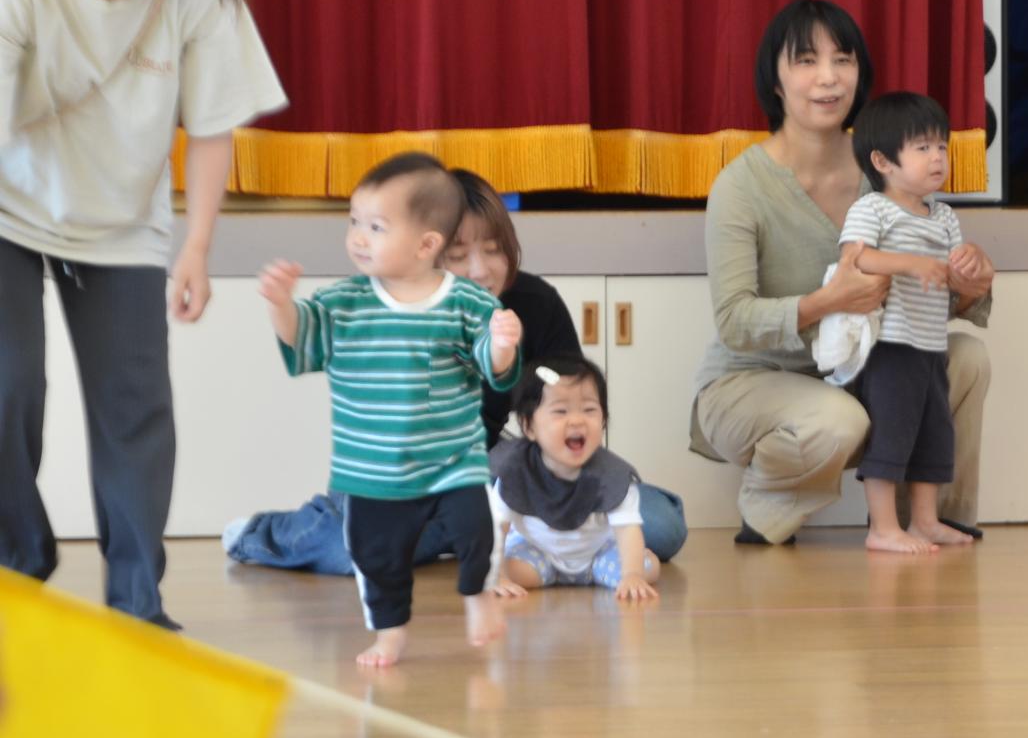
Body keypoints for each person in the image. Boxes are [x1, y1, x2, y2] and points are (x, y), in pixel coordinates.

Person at [0, 0, 288, 627]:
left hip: (121, 217)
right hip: (10, 205)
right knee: (6, 381)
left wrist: (196, 245)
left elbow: (213, 120)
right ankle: (16, 559)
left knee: (136, 409)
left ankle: (137, 605)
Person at [225, 168, 688, 571]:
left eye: (493, 250)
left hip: (500, 469)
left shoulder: (534, 305)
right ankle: (266, 533)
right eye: (458, 255)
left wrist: (539, 383)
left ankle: (479, 537)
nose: (481, 270)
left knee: (661, 527)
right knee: (355, 552)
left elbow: (565, 397)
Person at [691, 0, 995, 545]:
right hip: (754, 380)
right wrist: (830, 300)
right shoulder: (740, 186)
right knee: (838, 419)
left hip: (864, 367)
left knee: (966, 357)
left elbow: (925, 290)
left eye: (844, 60)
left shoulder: (883, 164)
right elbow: (735, 320)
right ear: (776, 82)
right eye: (806, 61)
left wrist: (970, 288)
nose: (828, 78)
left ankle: (930, 517)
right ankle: (768, 506)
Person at [260, 153, 521, 666]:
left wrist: (504, 344)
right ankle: (390, 634)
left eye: (376, 227)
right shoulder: (343, 302)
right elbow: (304, 340)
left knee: (476, 528)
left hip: (452, 460)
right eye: (354, 222)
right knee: (374, 556)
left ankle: (477, 596)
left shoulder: (468, 303)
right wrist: (281, 307)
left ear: (427, 244)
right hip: (372, 469)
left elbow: (494, 370)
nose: (358, 237)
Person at [839, 93, 982, 554]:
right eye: (922, 148)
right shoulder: (873, 208)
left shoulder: (943, 216)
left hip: (929, 346)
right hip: (891, 347)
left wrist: (968, 272)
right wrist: (909, 263)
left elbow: (956, 284)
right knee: (892, 433)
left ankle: (925, 521)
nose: (937, 157)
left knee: (933, 435)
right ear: (882, 160)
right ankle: (882, 527)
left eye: (941, 146)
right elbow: (854, 257)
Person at [488, 357, 660, 600]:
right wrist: (497, 574)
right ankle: (520, 572)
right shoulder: (516, 471)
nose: (577, 420)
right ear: (529, 427)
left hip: (598, 555)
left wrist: (632, 574)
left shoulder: (612, 475)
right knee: (502, 571)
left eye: (589, 409)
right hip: (537, 552)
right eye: (560, 411)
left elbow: (627, 529)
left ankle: (611, 572)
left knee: (648, 567)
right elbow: (498, 527)